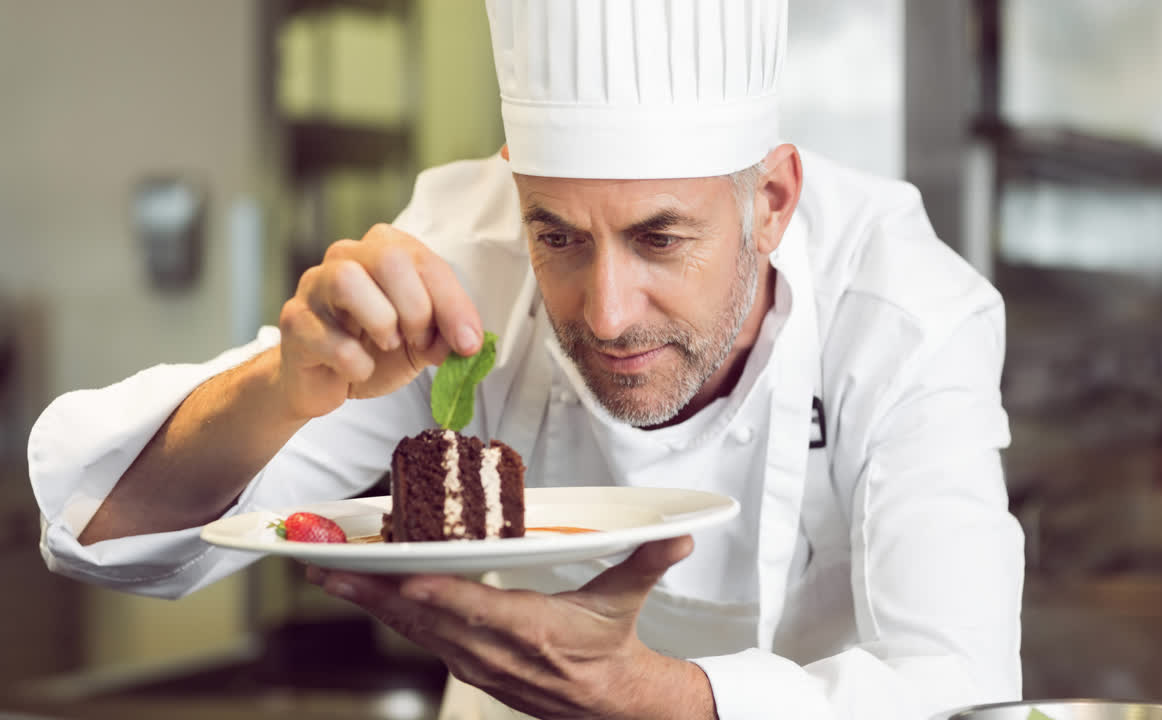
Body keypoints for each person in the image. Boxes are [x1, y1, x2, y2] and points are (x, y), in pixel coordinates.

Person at [29, 1, 1024, 717]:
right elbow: (111, 527)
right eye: (558, 237)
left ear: (769, 203)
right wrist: (282, 389)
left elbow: (961, 689)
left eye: (660, 239)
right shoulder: (463, 258)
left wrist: (658, 701)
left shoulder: (900, 313)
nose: (606, 312)